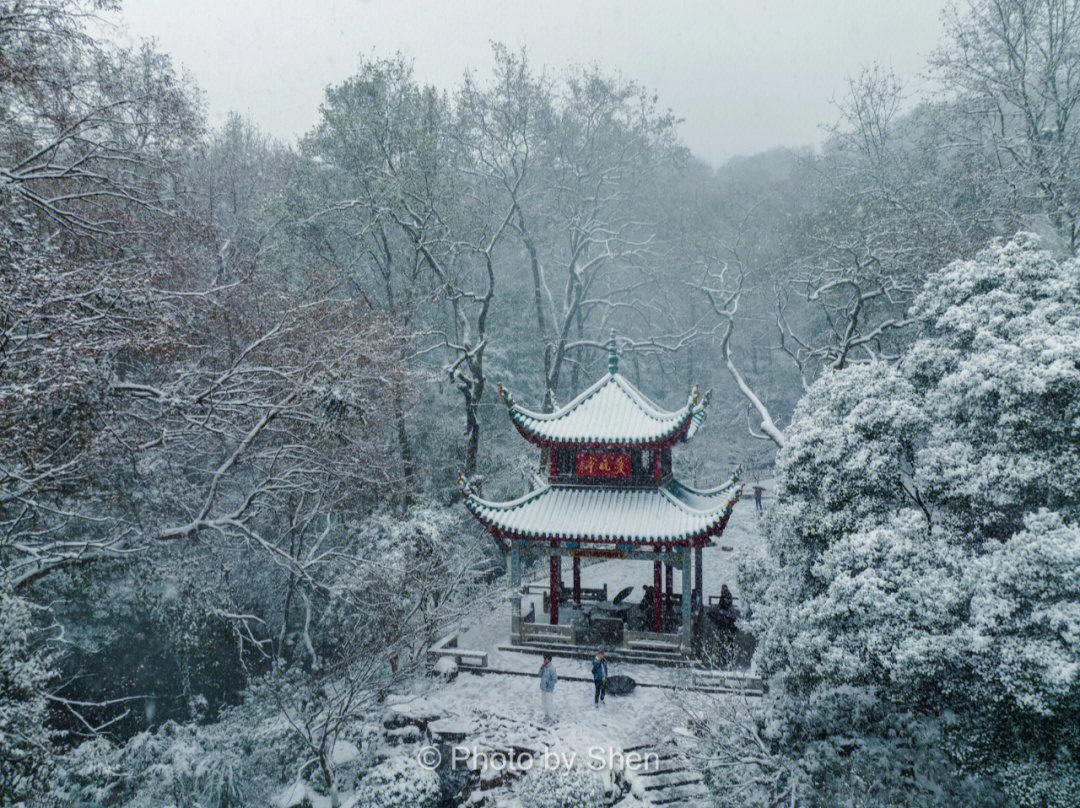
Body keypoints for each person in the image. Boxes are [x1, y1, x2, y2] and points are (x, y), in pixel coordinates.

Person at [539, 655, 557, 722]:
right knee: (544, 702)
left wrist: (548, 684)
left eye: (545, 659)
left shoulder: (552, 669)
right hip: (543, 688)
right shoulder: (545, 667)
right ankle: (546, 715)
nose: (544, 660)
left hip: (548, 689)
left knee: (549, 702)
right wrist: (541, 668)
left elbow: (555, 679)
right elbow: (540, 675)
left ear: (549, 660)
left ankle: (551, 716)